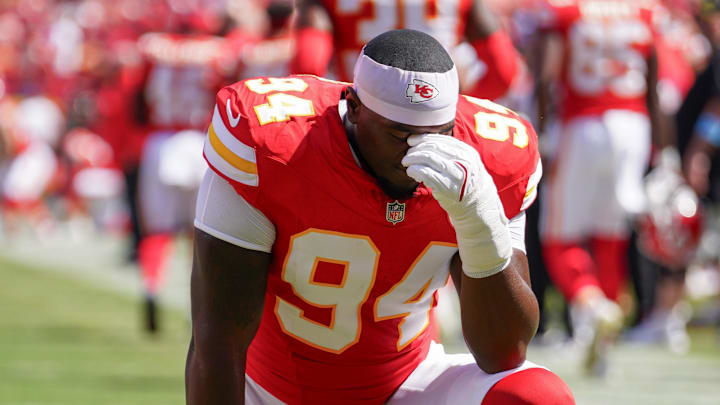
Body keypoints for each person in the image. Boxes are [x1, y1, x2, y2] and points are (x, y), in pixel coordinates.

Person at [186, 29, 573, 404]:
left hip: (403, 383)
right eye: (400, 134)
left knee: (537, 397)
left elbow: (504, 352)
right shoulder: (273, 143)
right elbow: (217, 342)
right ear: (353, 108)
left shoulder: (489, 157)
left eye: (437, 134)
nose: (417, 154)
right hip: (270, 391)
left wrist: (478, 218)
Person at [534, 0, 671, 374]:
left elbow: (546, 76)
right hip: (633, 128)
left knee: (559, 236)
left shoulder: (565, 10)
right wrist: (665, 151)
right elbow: (654, 84)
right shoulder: (645, 11)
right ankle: (601, 343)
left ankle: (593, 305)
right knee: (610, 236)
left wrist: (544, 131)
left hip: (581, 125)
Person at [291, 0, 522, 100]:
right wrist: (456, 109)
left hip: (361, 118)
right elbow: (503, 73)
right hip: (434, 114)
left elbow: (308, 64)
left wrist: (335, 109)